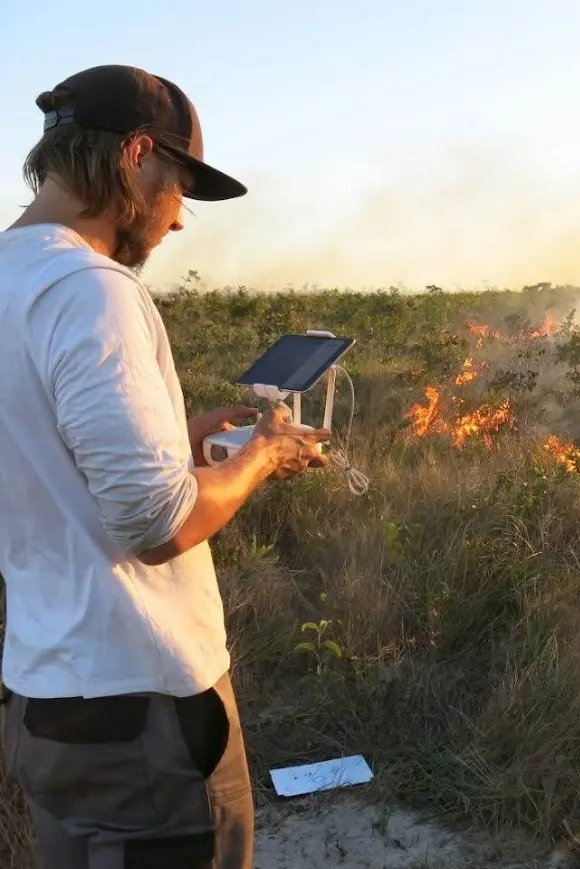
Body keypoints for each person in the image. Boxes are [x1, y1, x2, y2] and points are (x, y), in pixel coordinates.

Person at [0, 64, 330, 869]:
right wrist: (262, 454)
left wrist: (168, 440)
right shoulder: (89, 289)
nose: (179, 219)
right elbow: (156, 523)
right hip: (140, 709)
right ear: (137, 156)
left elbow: (34, 456)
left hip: (47, 699)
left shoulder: (13, 278)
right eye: (179, 185)